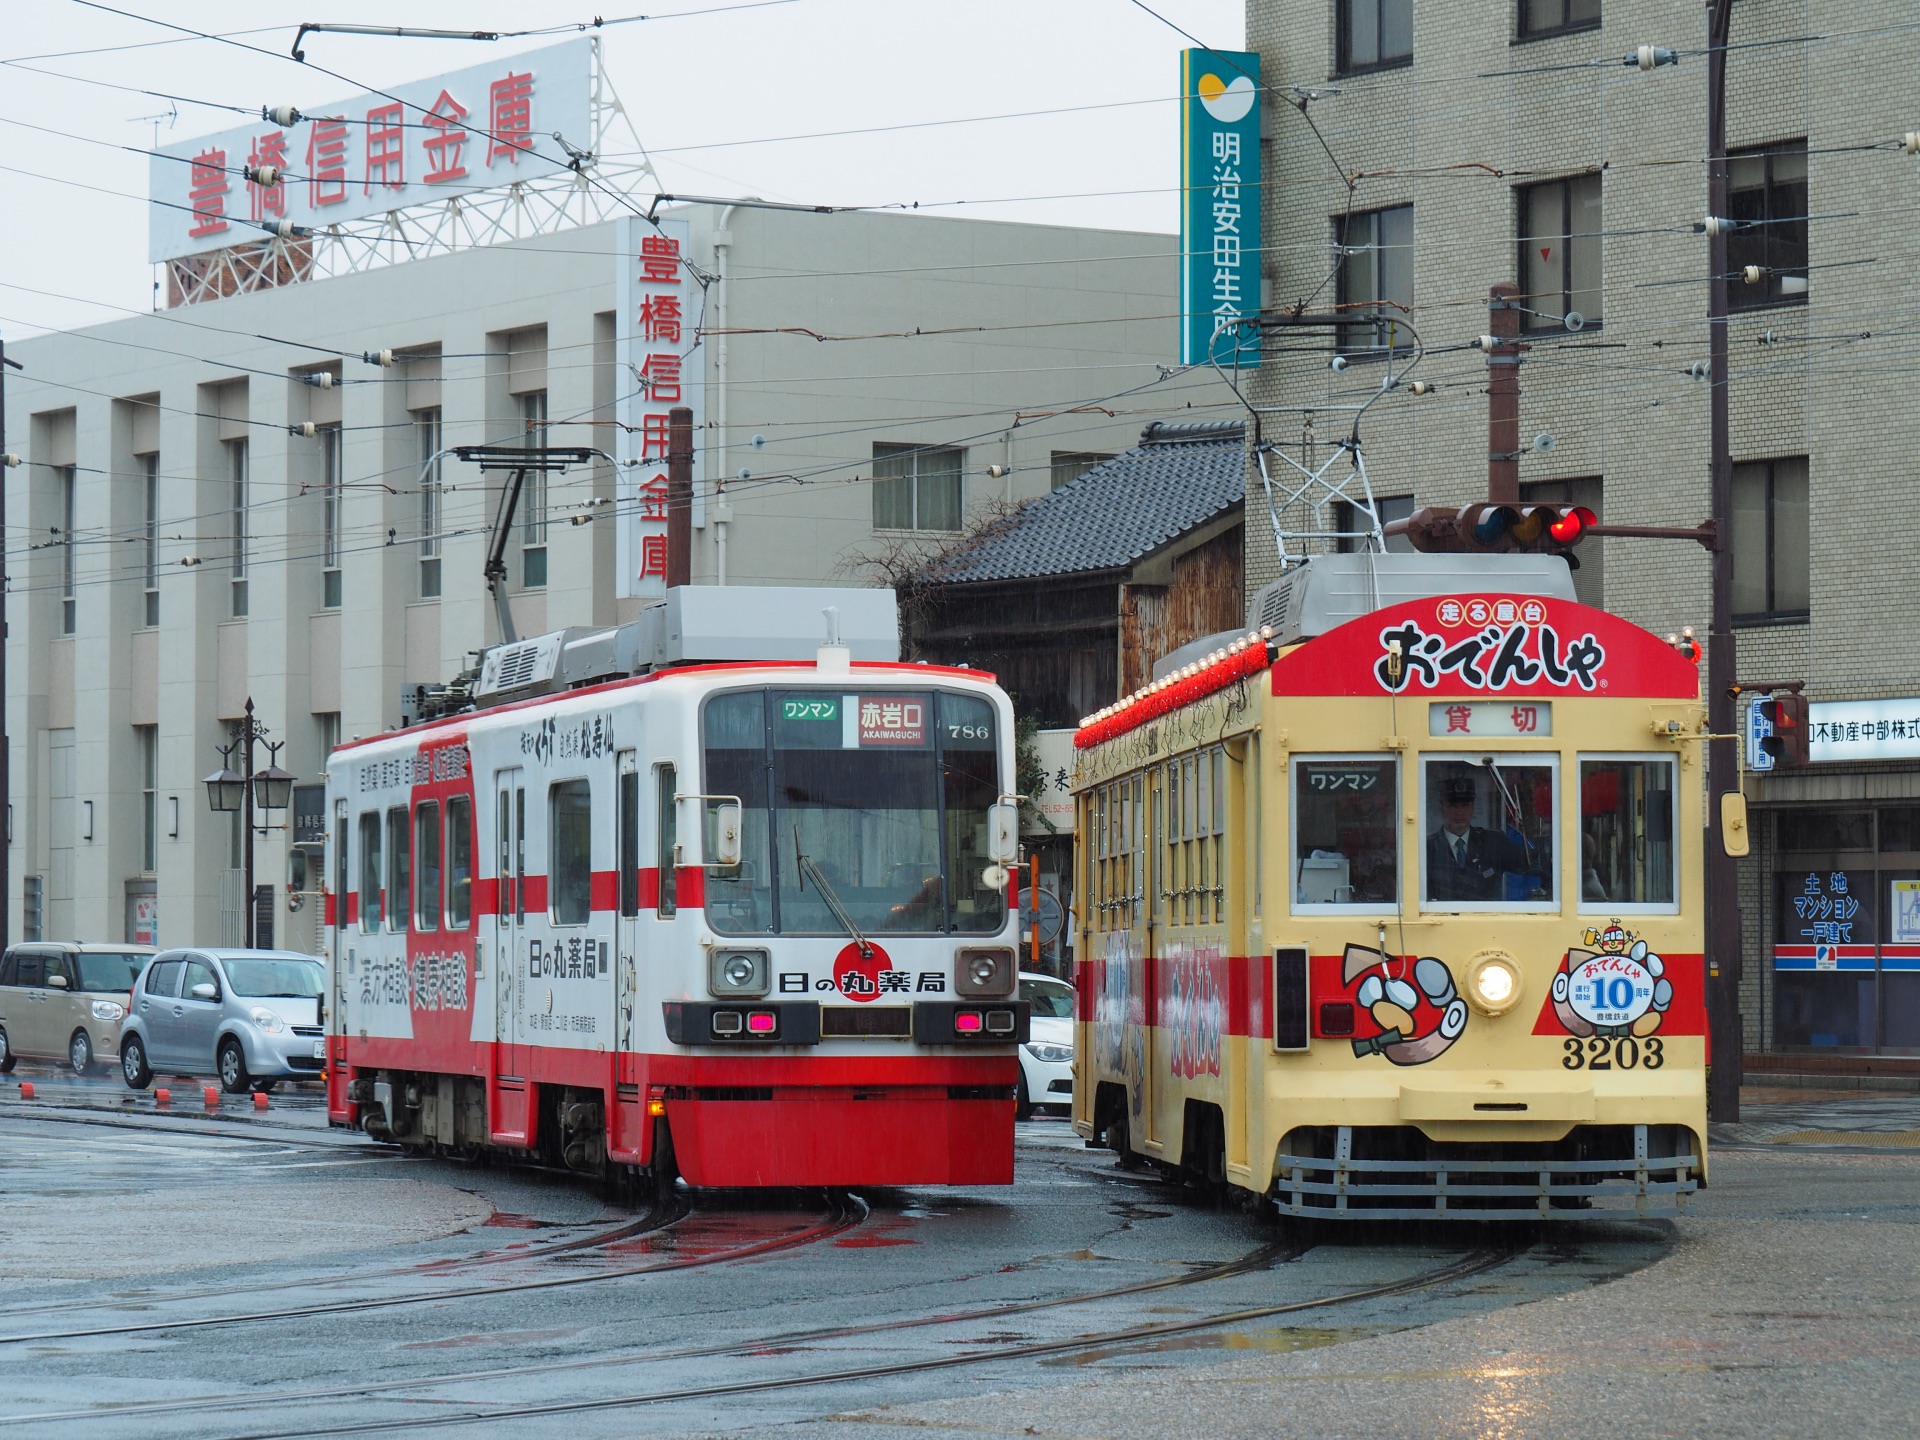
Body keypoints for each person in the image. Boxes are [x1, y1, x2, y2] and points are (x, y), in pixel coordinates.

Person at [1426, 774, 1528, 903]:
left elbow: (1528, 863)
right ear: (1441, 807)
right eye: (1452, 805)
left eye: (1465, 805)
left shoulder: (1494, 842)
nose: (1459, 812)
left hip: (1486, 920)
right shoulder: (1427, 849)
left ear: (1473, 806)